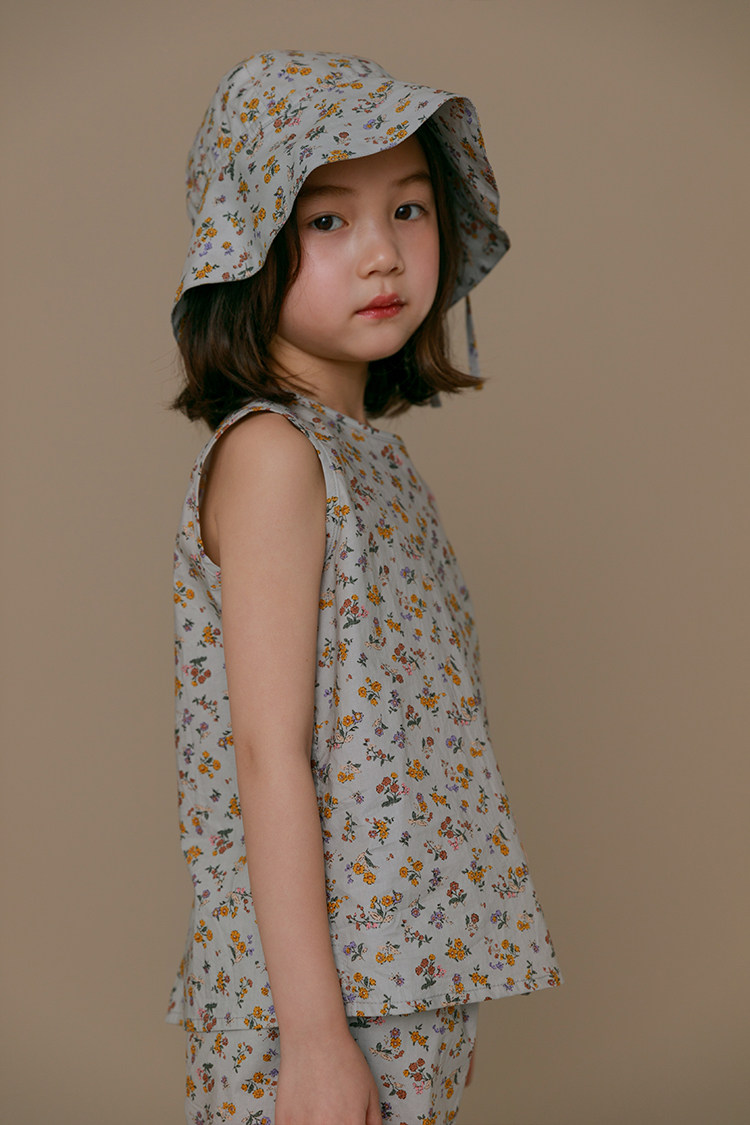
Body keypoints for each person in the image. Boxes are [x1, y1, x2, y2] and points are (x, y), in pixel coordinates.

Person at [166, 50, 562, 1125]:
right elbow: (266, 750)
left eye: (410, 208)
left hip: (401, 971)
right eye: (328, 220)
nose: (383, 251)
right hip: (327, 997)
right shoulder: (274, 456)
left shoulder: (363, 457)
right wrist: (314, 1038)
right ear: (249, 241)